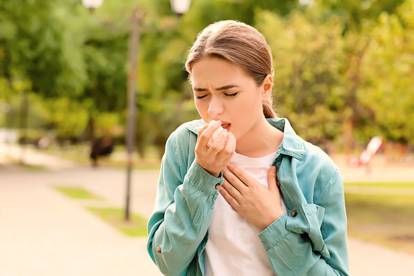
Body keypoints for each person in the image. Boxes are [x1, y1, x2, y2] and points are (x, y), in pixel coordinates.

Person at [147, 20, 348, 276]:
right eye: (201, 94)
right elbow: (168, 262)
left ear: (265, 87)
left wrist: (273, 224)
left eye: (229, 93)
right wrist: (202, 174)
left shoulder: (318, 171)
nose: (213, 110)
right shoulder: (185, 147)